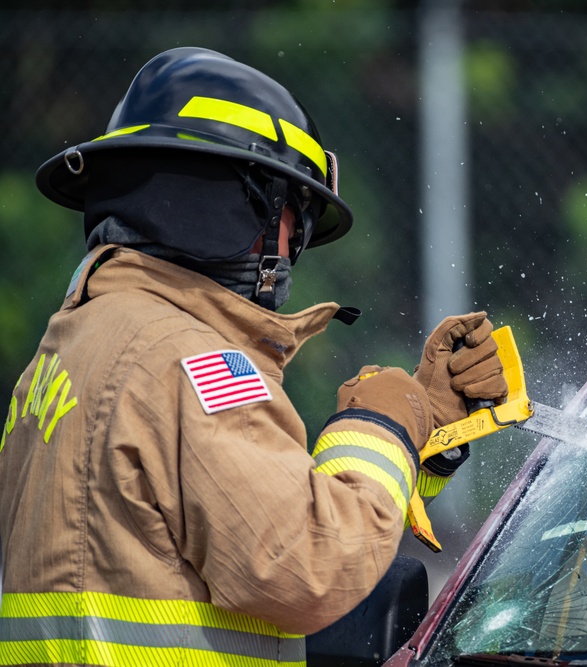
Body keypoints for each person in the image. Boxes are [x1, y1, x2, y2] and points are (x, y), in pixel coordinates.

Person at [0, 47, 507, 666]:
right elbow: (307, 564)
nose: (294, 248)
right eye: (295, 217)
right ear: (247, 206)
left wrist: (427, 431)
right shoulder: (191, 362)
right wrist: (382, 425)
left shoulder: (68, 347)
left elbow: (216, 520)